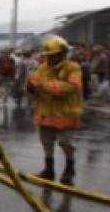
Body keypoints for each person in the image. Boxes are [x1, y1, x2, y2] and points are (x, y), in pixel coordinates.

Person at [27, 35, 83, 184]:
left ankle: (70, 168)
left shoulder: (73, 68)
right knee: (46, 141)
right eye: (48, 56)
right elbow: (34, 79)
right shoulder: (43, 67)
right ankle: (49, 170)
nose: (49, 59)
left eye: (53, 56)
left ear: (62, 54)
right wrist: (30, 85)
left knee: (65, 142)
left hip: (66, 112)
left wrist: (44, 85)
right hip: (46, 112)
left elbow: (71, 87)